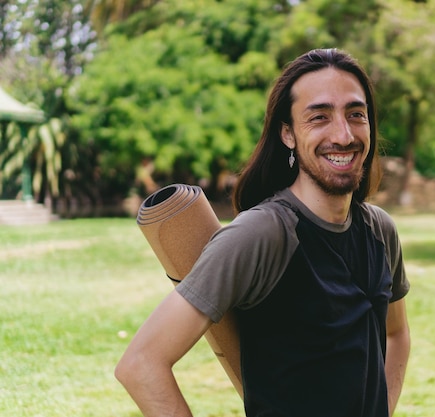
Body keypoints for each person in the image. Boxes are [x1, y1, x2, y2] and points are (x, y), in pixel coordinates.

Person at [115, 48, 411, 417]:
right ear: (287, 134)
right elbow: (141, 364)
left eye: (356, 114)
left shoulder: (380, 231)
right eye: (319, 117)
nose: (343, 133)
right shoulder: (263, 234)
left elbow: (396, 335)